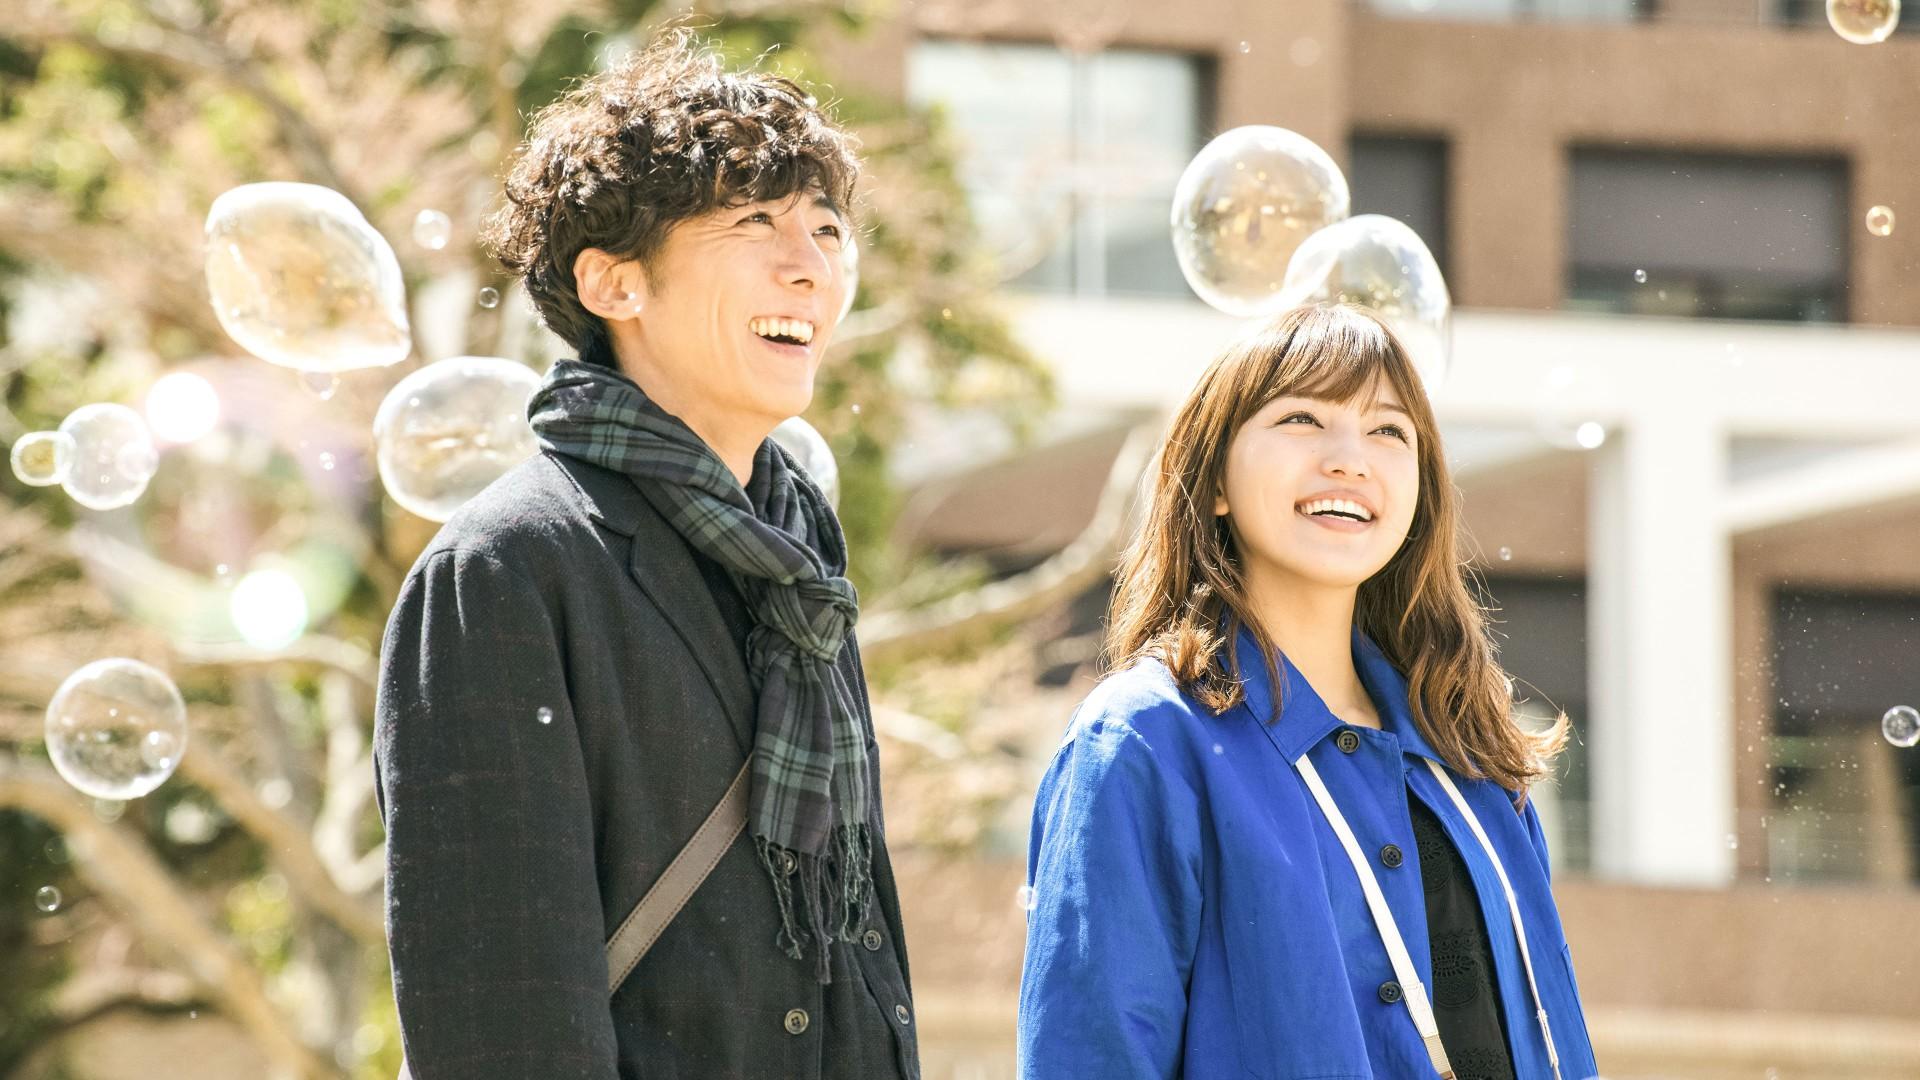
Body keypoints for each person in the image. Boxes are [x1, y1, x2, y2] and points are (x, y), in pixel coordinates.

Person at [373, 31, 919, 1080]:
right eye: (753, 221)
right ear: (615, 285)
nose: (810, 265)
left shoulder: (800, 566)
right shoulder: (503, 570)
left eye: (825, 227)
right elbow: (501, 1023)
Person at [1018, 303, 1599, 1079]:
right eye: (1302, 419)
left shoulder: (1469, 749)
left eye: (1388, 430)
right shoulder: (1145, 741)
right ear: (1214, 480)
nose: (1350, 460)